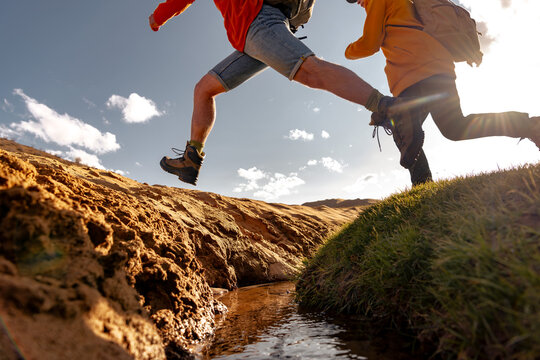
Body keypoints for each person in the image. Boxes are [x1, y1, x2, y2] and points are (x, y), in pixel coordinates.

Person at [149, 0, 424, 186]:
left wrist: (156, 18)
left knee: (310, 71)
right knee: (204, 89)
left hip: (259, 23)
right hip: (250, 36)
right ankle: (191, 159)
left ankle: (390, 108)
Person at [345, 0, 540, 186]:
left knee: (403, 127)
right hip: (438, 69)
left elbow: (370, 43)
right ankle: (530, 125)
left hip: (413, 71)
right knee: (455, 127)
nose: (358, 2)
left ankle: (422, 183)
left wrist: (348, 51)